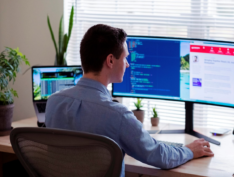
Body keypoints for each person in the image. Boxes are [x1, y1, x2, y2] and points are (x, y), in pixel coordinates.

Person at [45, 24, 214, 177]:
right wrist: (189, 151)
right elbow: (157, 155)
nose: (127, 65)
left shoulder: (53, 102)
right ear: (110, 60)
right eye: (125, 58)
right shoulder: (117, 115)